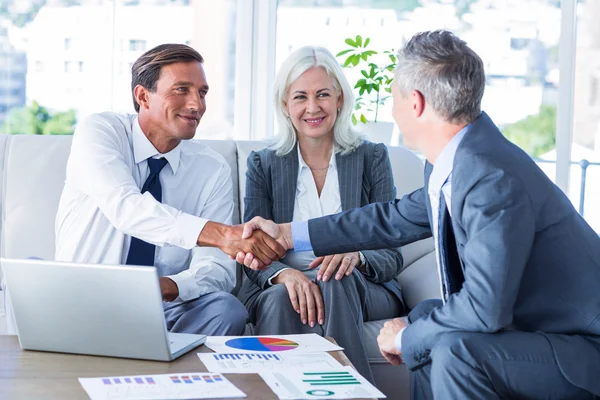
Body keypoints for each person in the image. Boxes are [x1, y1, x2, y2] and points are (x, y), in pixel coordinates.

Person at [237, 31, 600, 399]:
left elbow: (484, 310)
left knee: (452, 349)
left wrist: (406, 336)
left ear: (415, 103)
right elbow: (389, 219)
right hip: (543, 330)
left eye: (394, 96)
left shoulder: (490, 175)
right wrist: (286, 233)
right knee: (427, 316)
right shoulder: (460, 159)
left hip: (581, 346)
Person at [54, 44, 284, 337]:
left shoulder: (211, 168)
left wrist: (171, 285)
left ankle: (170, 377)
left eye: (202, 93)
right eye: (182, 90)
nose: (196, 104)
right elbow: (126, 207)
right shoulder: (101, 132)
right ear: (142, 96)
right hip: (86, 298)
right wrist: (223, 234)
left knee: (226, 309)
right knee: (35, 278)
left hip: (162, 307)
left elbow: (217, 268)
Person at [237, 46, 406, 383]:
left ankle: (352, 392)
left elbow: (392, 250)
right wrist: (285, 275)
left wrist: (357, 256)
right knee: (280, 299)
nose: (312, 107)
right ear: (285, 104)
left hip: (362, 283)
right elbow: (252, 249)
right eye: (300, 96)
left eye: (323, 94)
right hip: (284, 282)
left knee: (335, 278)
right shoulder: (263, 164)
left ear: (340, 99)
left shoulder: (371, 157)